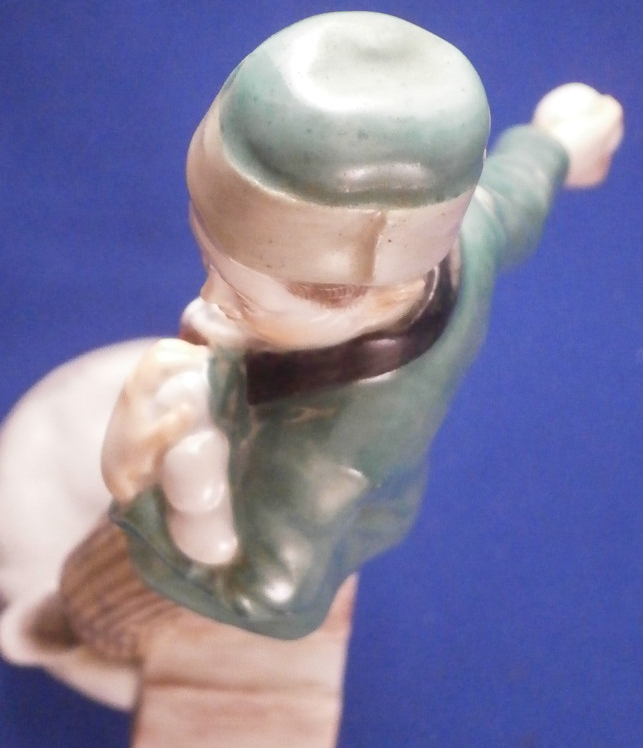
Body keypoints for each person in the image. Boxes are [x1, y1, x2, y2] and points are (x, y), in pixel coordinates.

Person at [86, 12, 622, 641]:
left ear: (368, 298)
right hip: (268, 403)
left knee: (110, 602)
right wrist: (554, 146)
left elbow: (273, 600)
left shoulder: (318, 466)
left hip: (277, 514)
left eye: (246, 298)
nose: (204, 305)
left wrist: (147, 497)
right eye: (211, 264)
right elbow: (508, 202)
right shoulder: (455, 241)